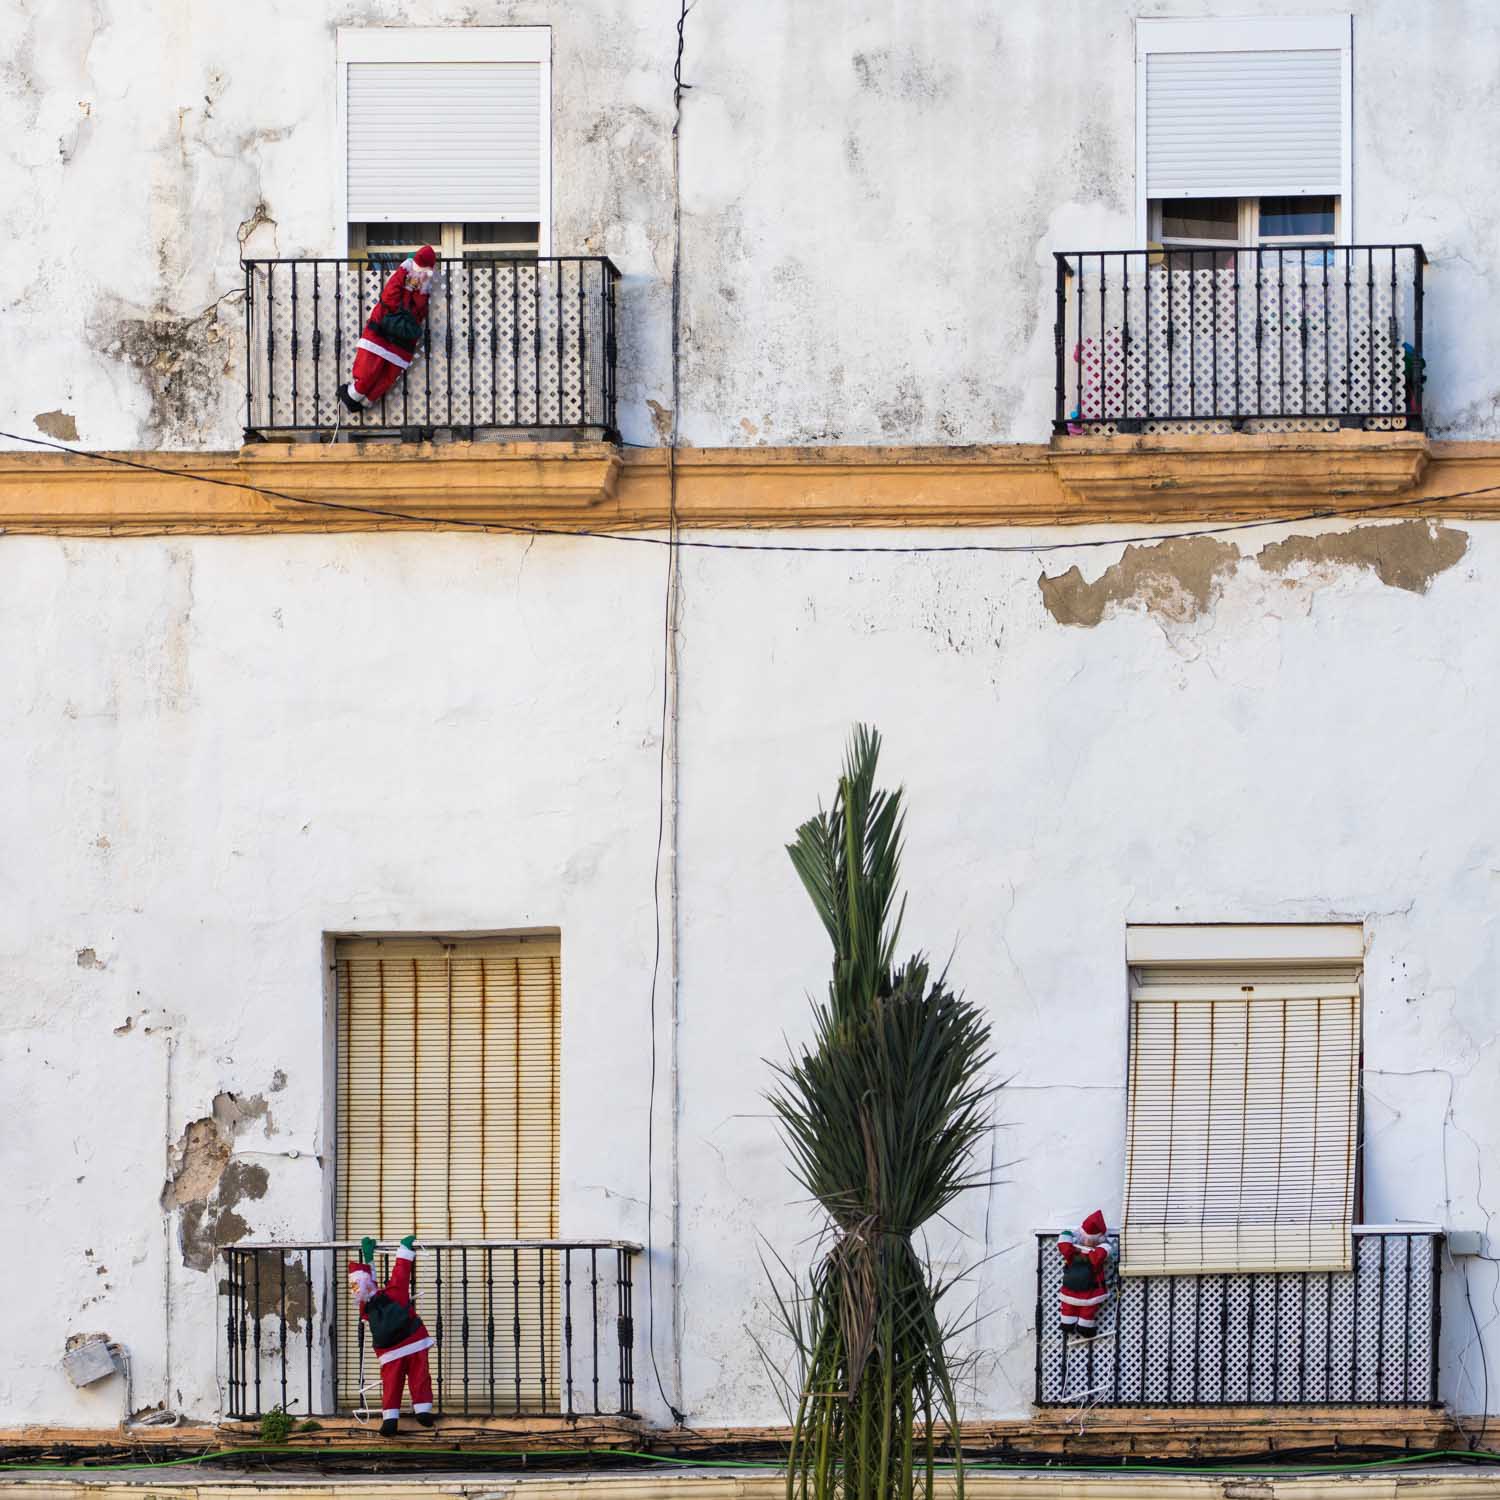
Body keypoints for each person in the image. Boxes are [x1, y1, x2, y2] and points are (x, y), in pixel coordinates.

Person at [348, 1234, 435, 1435]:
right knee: (419, 1376)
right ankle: (422, 1411)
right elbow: (401, 1272)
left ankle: (390, 1419)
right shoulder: (396, 1293)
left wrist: (368, 1257)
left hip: (389, 1352)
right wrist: (404, 1248)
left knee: (391, 1383)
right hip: (414, 1341)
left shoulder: (365, 1307)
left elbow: (369, 1284)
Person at [340, 246, 436, 414]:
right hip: (390, 338)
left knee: (377, 374)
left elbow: (400, 302)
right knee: (374, 374)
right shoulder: (409, 286)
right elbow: (399, 303)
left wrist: (413, 285)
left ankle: (356, 398)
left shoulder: (413, 286)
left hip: (391, 337)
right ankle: (358, 398)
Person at [1058, 1209, 1111, 1338]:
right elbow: (1102, 1253)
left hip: (1070, 1290)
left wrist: (1066, 1234)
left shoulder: (1073, 1252)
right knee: (1088, 1310)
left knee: (1068, 1307)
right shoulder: (1094, 1255)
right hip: (1090, 1293)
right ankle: (1085, 1326)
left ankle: (1067, 1323)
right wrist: (1105, 1246)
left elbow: (1063, 1245)